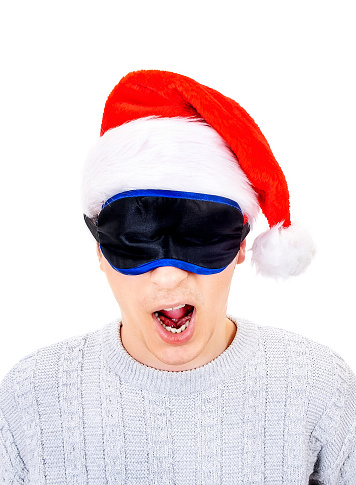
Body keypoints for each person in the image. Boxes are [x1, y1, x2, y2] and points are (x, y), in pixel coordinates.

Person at [1, 70, 355, 484]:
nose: (168, 278)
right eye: (136, 240)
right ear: (100, 250)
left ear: (241, 245)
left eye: (200, 236)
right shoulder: (32, 399)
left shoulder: (317, 388)